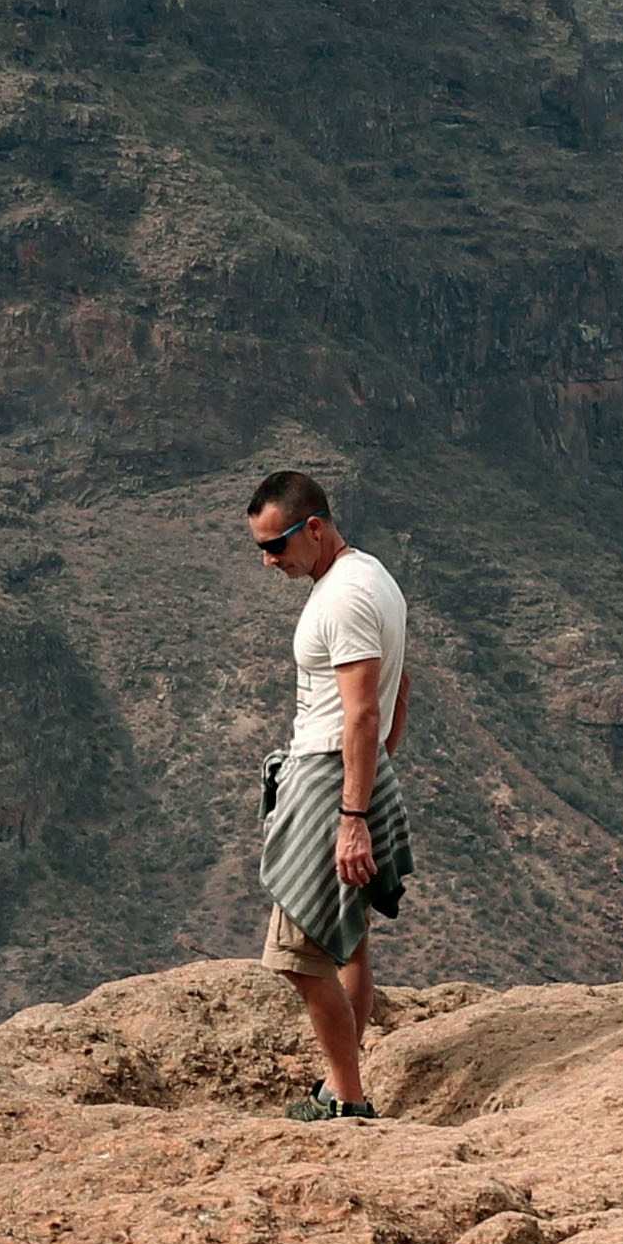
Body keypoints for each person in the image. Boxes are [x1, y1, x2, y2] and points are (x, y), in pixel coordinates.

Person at [248, 467, 412, 1121]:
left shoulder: (342, 598)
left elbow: (363, 712)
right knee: (347, 940)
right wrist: (379, 775)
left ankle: (347, 1099)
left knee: (296, 953)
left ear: (313, 528)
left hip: (326, 782)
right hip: (345, 778)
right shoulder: (375, 577)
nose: (268, 561)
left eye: (276, 544)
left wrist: (352, 815)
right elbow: (403, 685)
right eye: (260, 547)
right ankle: (340, 1082)